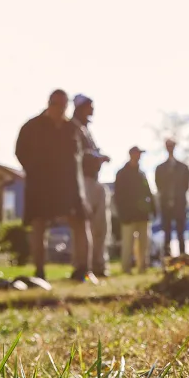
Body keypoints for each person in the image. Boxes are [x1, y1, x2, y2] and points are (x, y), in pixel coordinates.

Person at [15, 90, 97, 285]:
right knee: (38, 224)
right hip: (41, 184)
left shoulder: (74, 128)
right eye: (55, 105)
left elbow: (87, 153)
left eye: (63, 106)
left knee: (80, 222)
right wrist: (33, 169)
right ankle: (40, 271)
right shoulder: (31, 127)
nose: (60, 110)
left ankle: (84, 270)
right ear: (48, 104)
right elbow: (20, 151)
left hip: (70, 184)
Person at [71, 94, 111, 277]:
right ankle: (82, 265)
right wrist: (96, 157)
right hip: (82, 181)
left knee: (100, 226)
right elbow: (77, 154)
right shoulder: (73, 127)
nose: (92, 109)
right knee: (83, 226)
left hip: (95, 180)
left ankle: (98, 264)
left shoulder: (87, 129)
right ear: (81, 107)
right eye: (89, 106)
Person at [114, 147, 155, 274]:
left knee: (144, 243)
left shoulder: (141, 173)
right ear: (131, 154)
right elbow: (118, 195)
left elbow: (148, 192)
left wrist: (153, 209)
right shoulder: (122, 173)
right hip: (128, 215)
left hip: (142, 215)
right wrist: (122, 213)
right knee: (127, 243)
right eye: (137, 154)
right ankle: (126, 268)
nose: (139, 156)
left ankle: (142, 266)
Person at [154, 139, 189, 257]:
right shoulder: (160, 168)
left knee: (181, 232)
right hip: (165, 205)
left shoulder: (183, 167)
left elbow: (186, 185)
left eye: (172, 145)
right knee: (167, 232)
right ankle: (167, 257)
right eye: (168, 146)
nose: (170, 148)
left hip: (179, 204)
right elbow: (158, 185)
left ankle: (183, 256)